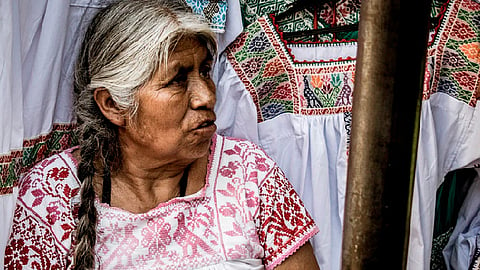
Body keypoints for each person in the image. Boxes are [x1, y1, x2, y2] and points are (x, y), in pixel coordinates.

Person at [4, 0, 319, 269]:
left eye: (205, 72)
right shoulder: (51, 196)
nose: (206, 97)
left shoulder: (248, 173)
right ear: (113, 104)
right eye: (177, 80)